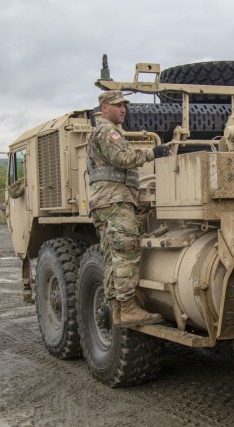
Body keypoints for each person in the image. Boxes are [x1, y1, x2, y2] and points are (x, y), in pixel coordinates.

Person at [87, 90, 171, 328]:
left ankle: (117, 309)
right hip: (114, 201)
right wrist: (152, 153)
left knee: (113, 258)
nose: (123, 109)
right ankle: (128, 308)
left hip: (107, 202)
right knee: (126, 254)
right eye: (117, 105)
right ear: (104, 108)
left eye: (124, 105)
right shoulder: (107, 131)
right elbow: (123, 158)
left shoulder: (103, 131)